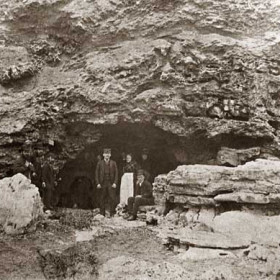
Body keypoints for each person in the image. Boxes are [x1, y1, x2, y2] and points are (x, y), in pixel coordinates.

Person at [95, 148, 118, 217]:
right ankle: (102, 213)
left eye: (108, 154)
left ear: (110, 155)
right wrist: (98, 183)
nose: (107, 155)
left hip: (111, 182)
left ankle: (112, 213)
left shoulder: (113, 163)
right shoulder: (100, 163)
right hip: (103, 182)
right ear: (103, 155)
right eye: (106, 154)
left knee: (112, 197)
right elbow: (96, 173)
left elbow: (116, 173)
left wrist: (115, 183)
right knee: (102, 197)